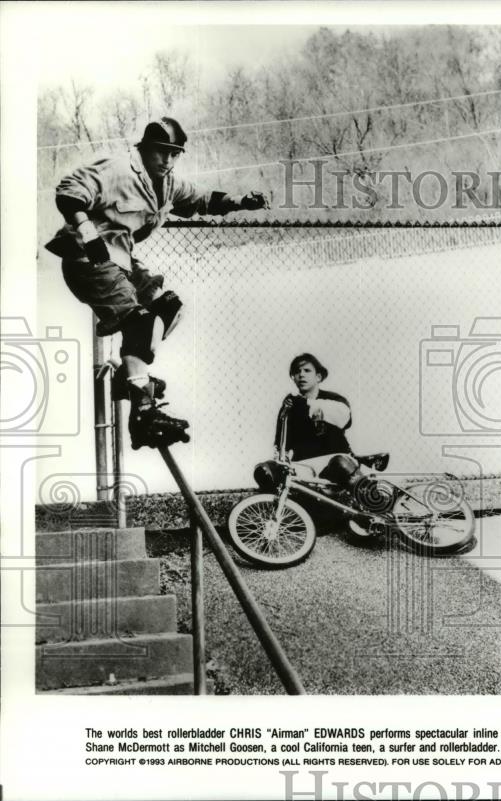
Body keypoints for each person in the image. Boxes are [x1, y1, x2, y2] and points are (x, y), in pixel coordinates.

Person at [45, 117, 270, 448]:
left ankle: (130, 378)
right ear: (145, 150)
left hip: (121, 258)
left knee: (168, 306)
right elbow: (69, 191)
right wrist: (87, 231)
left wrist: (241, 202)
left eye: (174, 154)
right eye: (161, 153)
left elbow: (202, 200)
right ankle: (143, 409)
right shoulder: (119, 168)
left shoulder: (168, 185)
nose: (167, 161)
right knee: (140, 324)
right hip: (88, 257)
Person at [253, 353, 390, 512]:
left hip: (333, 462)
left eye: (307, 370)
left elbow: (344, 418)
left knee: (341, 463)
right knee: (264, 469)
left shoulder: (333, 400)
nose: (301, 375)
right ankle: (274, 517)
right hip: (304, 465)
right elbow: (280, 442)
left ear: (318, 376)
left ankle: (379, 507)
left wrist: (306, 403)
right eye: (297, 372)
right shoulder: (289, 407)